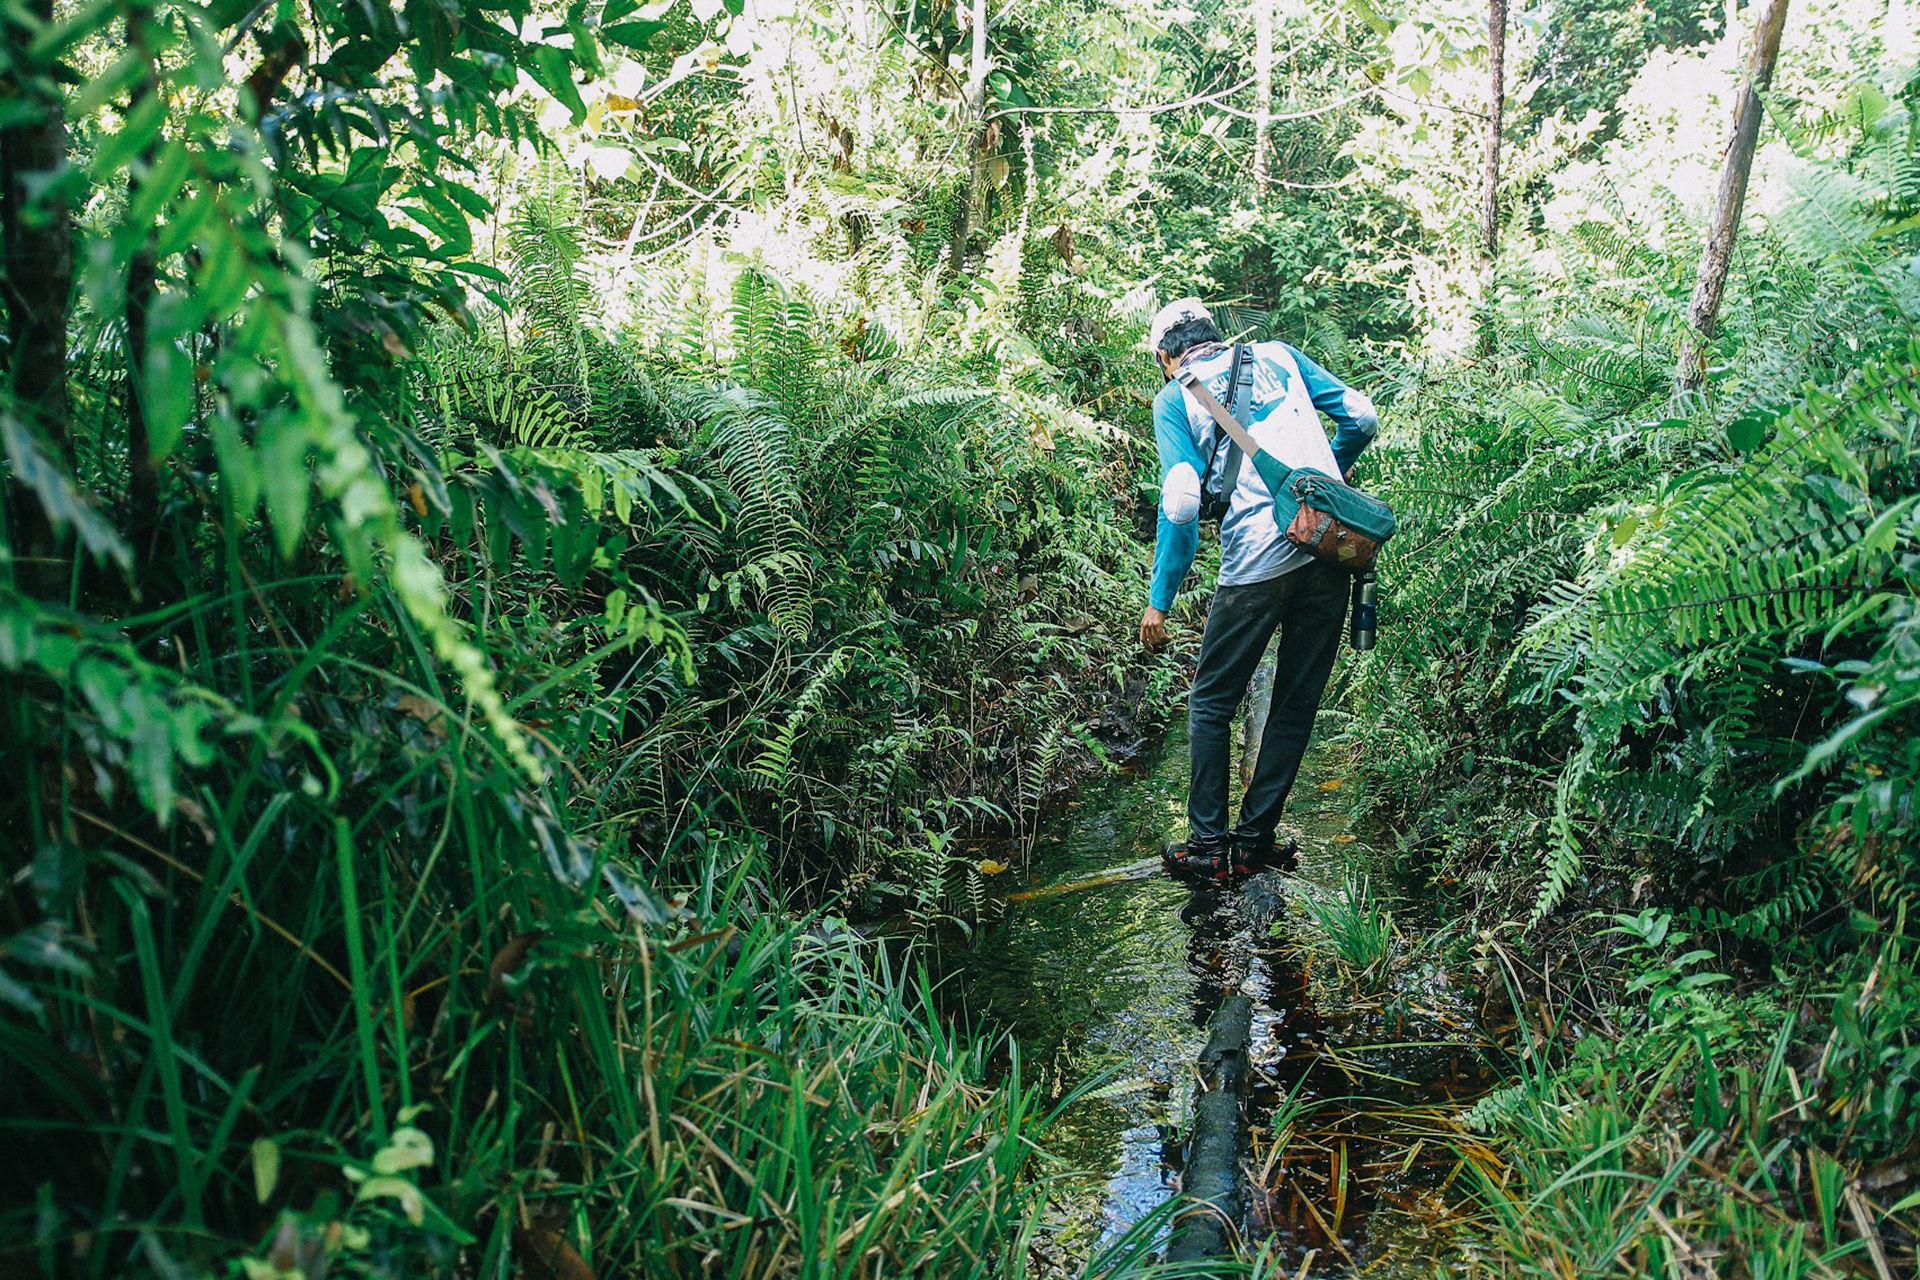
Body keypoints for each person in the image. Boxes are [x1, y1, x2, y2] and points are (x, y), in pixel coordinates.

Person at [1139, 298, 1380, 881]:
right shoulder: (1281, 355)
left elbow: (1181, 501)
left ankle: (1206, 848)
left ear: (1167, 357)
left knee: (1211, 702)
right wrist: (1322, 485)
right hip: (1327, 546)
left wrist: (1159, 600)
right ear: (1214, 335)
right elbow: (1362, 416)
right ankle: (1253, 843)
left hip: (1255, 562)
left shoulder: (1175, 397)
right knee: (1295, 705)